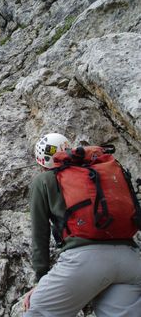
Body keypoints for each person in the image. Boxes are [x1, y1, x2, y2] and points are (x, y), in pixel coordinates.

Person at [23, 133, 141, 317]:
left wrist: (41, 280)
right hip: (131, 262)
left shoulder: (43, 181)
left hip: (84, 262)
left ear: (41, 163)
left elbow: (40, 234)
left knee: (36, 311)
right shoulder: (101, 173)